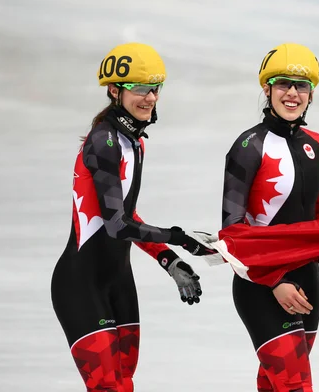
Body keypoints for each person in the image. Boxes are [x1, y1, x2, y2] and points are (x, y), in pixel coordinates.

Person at [51, 42, 216, 392]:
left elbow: (128, 215)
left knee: (124, 385)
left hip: (118, 283)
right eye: (140, 89)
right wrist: (179, 238)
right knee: (108, 388)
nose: (150, 97)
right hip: (81, 284)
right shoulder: (103, 141)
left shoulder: (135, 143)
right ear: (115, 91)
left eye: (155, 88)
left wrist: (168, 259)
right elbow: (116, 225)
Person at [221, 43, 319, 392]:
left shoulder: (316, 145)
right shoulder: (248, 147)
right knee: (295, 385)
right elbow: (232, 233)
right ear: (266, 88)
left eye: (301, 85)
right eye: (283, 83)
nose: (292, 93)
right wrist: (274, 281)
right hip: (260, 284)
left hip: (307, 282)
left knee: (273, 384)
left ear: (311, 93)